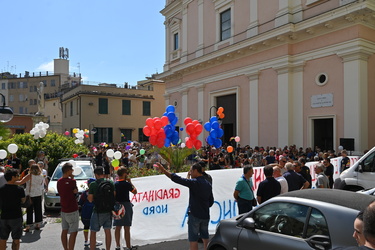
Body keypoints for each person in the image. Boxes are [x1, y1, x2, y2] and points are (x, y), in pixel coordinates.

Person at [155, 162, 214, 250]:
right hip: (205, 215)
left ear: (195, 170)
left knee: (193, 239)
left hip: (195, 214)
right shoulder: (208, 184)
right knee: (205, 236)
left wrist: (164, 170)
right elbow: (211, 201)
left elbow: (177, 179)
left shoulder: (194, 183)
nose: (190, 172)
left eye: (191, 171)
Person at [88, 167, 116, 250]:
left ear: (96, 175)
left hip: (97, 210)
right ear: (103, 173)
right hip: (108, 210)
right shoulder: (110, 182)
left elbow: (90, 199)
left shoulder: (93, 184)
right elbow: (114, 195)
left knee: (93, 232)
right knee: (107, 231)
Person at [0, 169, 25, 250]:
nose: (18, 177)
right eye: (17, 175)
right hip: (16, 216)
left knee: (3, 238)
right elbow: (23, 200)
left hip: (4, 216)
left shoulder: (1, 189)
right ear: (12, 177)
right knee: (16, 239)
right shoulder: (19, 189)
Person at [57, 162, 79, 250]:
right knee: (73, 232)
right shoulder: (72, 181)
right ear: (68, 171)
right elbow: (75, 191)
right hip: (72, 208)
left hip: (64, 209)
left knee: (64, 230)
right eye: (72, 170)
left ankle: (65, 248)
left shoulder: (59, 181)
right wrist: (73, 180)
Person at [114, 167, 138, 250]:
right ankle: (128, 246)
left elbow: (113, 195)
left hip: (117, 205)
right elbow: (135, 191)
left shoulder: (115, 184)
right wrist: (130, 182)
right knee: (126, 227)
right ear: (124, 174)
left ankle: (117, 245)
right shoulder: (127, 184)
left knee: (118, 226)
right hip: (126, 205)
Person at [17, 164, 45, 232]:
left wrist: (12, 182)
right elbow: (41, 184)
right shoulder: (41, 176)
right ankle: (38, 224)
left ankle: (28, 226)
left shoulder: (29, 176)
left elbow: (21, 182)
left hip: (30, 195)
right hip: (38, 194)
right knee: (38, 209)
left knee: (29, 210)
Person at [78, 178, 102, 248]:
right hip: (94, 213)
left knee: (86, 227)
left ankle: (86, 241)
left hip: (85, 213)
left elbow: (80, 203)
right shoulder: (97, 193)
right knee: (93, 228)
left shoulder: (84, 193)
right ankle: (93, 241)